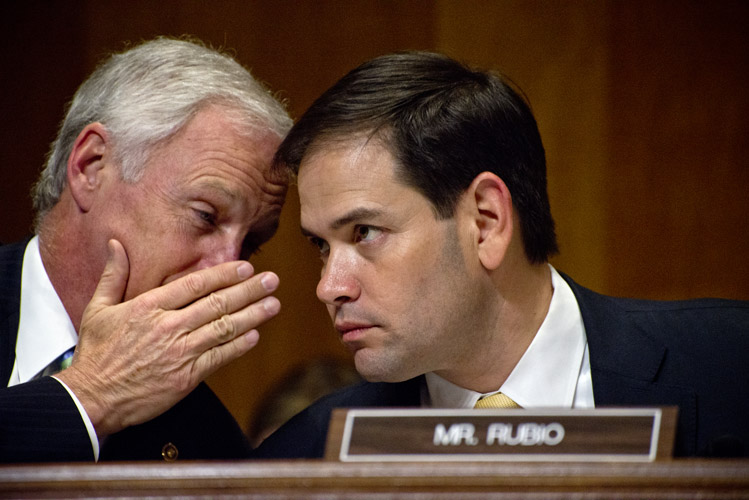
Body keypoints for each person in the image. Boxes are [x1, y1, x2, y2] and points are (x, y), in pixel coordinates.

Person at [254, 51, 749, 459]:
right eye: (321, 245)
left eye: (364, 232)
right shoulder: (306, 452)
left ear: (486, 222)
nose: (328, 287)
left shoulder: (729, 365)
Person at [0, 37, 292, 462]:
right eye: (206, 216)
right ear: (91, 166)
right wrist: (92, 394)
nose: (228, 268)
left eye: (250, 245)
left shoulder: (211, 445)